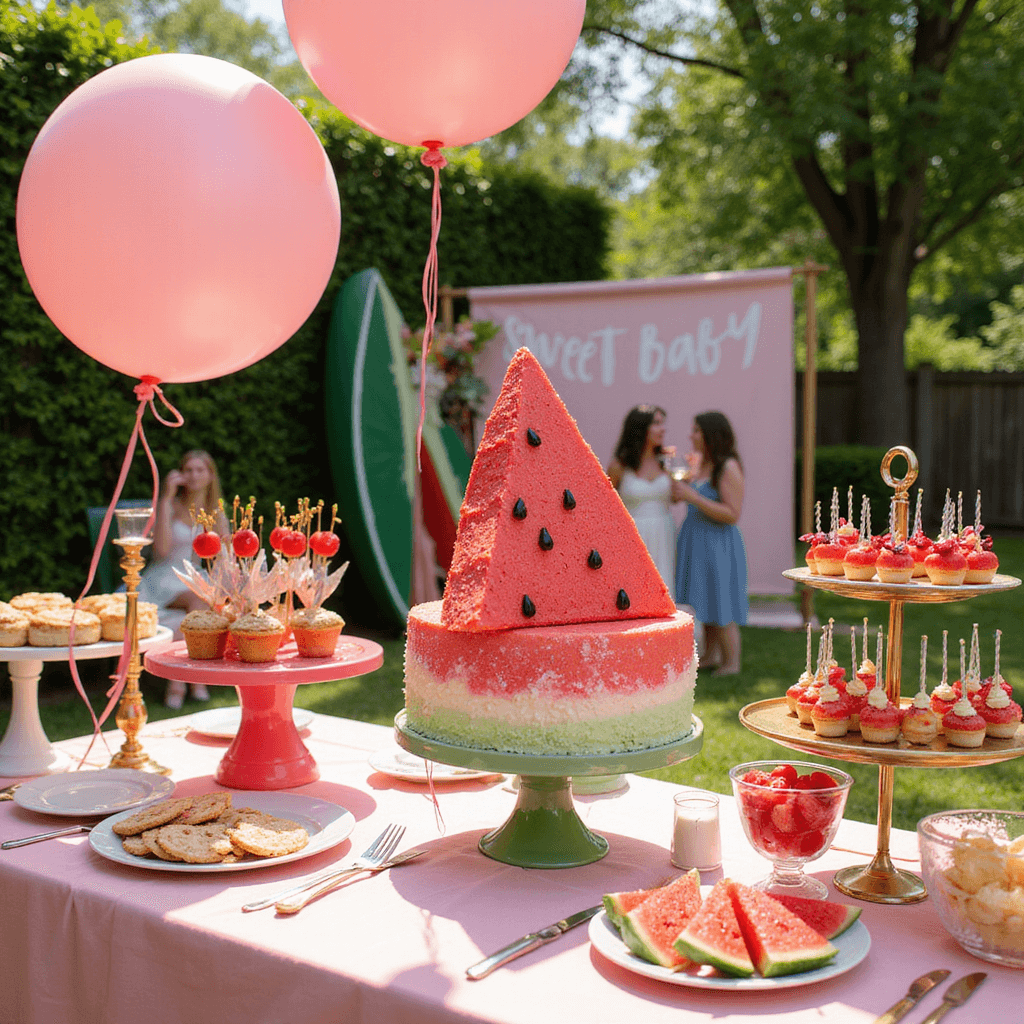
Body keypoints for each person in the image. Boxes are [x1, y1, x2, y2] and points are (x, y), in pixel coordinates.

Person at [139, 449, 228, 708]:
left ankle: (181, 683)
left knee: (201, 599)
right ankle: (190, 682)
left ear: (211, 475)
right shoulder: (171, 505)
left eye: (200, 470)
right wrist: (165, 498)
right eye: (188, 469)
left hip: (195, 576)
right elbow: (162, 551)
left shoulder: (215, 512)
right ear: (179, 475)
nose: (194, 475)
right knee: (198, 598)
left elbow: (226, 555)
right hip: (165, 576)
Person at [673, 411, 748, 675]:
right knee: (706, 600)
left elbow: (732, 513)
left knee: (722, 601)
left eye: (696, 430)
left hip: (718, 543)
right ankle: (710, 655)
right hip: (697, 539)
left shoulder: (727, 466)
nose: (691, 435)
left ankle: (732, 662)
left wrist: (693, 497)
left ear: (710, 435)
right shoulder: (701, 464)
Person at [607, 405, 678, 590]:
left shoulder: (666, 463)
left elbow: (677, 497)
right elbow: (608, 506)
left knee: (665, 585)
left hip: (664, 531)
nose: (663, 429)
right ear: (640, 428)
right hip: (632, 535)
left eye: (663, 423)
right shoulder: (619, 466)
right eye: (656, 423)